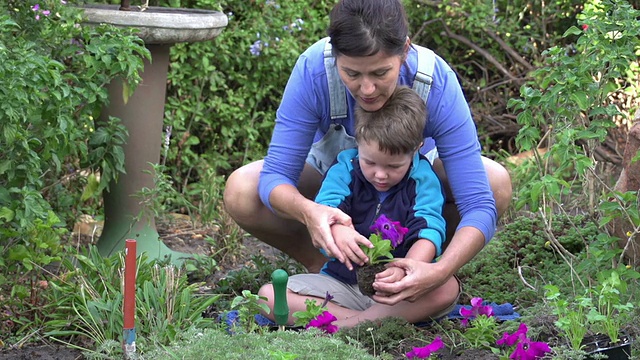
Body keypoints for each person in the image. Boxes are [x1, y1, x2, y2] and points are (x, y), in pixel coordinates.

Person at [223, 0, 512, 313]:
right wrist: (312, 213)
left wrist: (439, 272)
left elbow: (479, 204)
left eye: (380, 72)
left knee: (495, 181)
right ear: (335, 56)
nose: (367, 88)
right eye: (352, 73)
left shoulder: (436, 82)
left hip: (410, 201)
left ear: (404, 50)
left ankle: (413, 272)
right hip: (330, 188)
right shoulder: (313, 71)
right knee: (242, 190)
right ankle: (325, 264)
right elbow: (275, 178)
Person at [258, 86, 450, 327]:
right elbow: (326, 207)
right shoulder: (344, 169)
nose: (380, 175)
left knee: (447, 286)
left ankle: (340, 325)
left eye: (394, 166)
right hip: (342, 284)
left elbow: (429, 229)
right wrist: (337, 229)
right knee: (269, 295)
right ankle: (363, 324)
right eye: (369, 162)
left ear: (417, 148)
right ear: (357, 140)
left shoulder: (422, 179)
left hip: (398, 292)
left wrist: (407, 269)